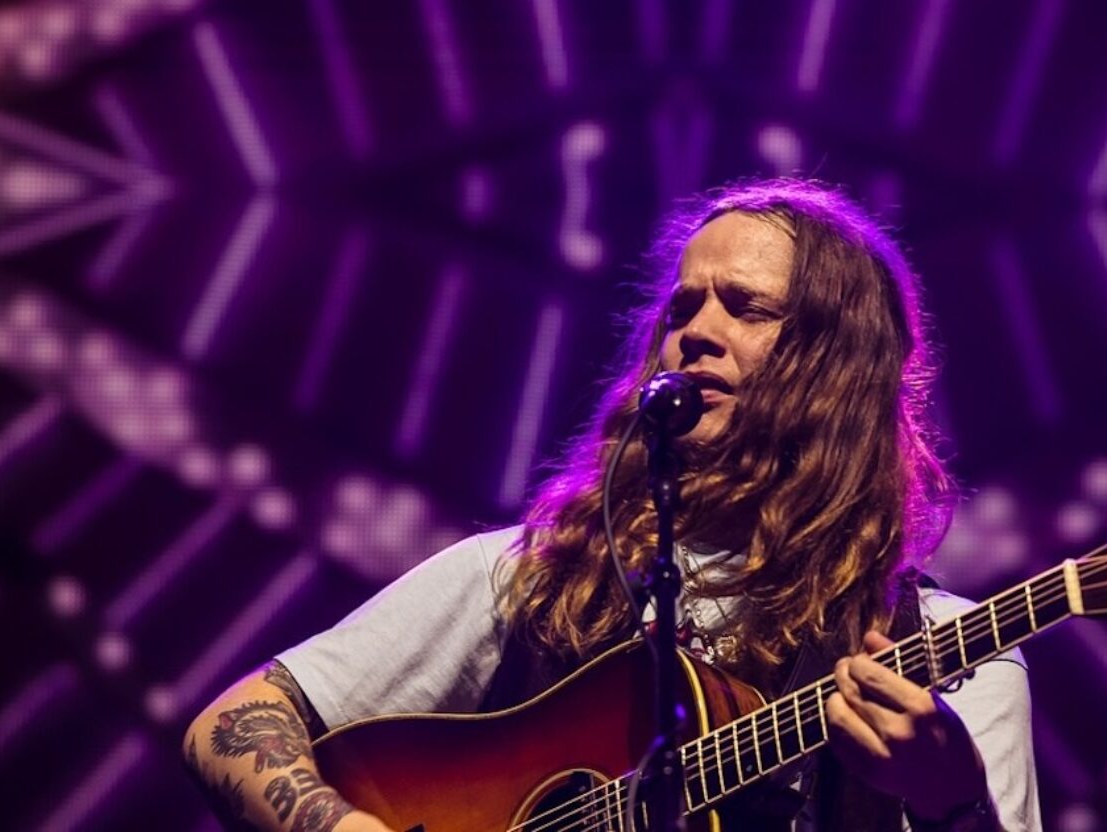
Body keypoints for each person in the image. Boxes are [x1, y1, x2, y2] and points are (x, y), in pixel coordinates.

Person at [183, 178, 1041, 831]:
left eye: (746, 308)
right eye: (683, 307)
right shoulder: (537, 572)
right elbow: (232, 723)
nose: (695, 331)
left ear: (838, 367)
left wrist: (953, 800)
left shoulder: (953, 658)